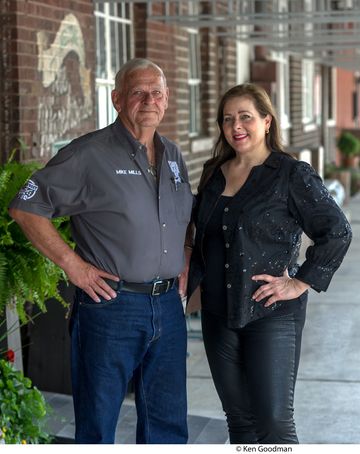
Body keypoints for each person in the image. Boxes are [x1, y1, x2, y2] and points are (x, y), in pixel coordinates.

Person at [9, 58, 193, 444]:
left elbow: (180, 219)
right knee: (99, 424)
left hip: (168, 309)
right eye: (138, 92)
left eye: (156, 92)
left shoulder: (174, 155)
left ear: (167, 99)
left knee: (168, 425)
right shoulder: (88, 155)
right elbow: (26, 207)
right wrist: (73, 267)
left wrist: (185, 256)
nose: (149, 100)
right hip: (112, 307)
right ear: (116, 99)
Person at [187, 83, 352, 444]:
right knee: (239, 422)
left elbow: (337, 230)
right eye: (228, 119)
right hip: (217, 314)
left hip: (272, 313)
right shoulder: (215, 172)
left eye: (246, 116)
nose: (236, 126)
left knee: (274, 424)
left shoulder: (291, 174)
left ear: (266, 120)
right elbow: (201, 235)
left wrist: (299, 282)